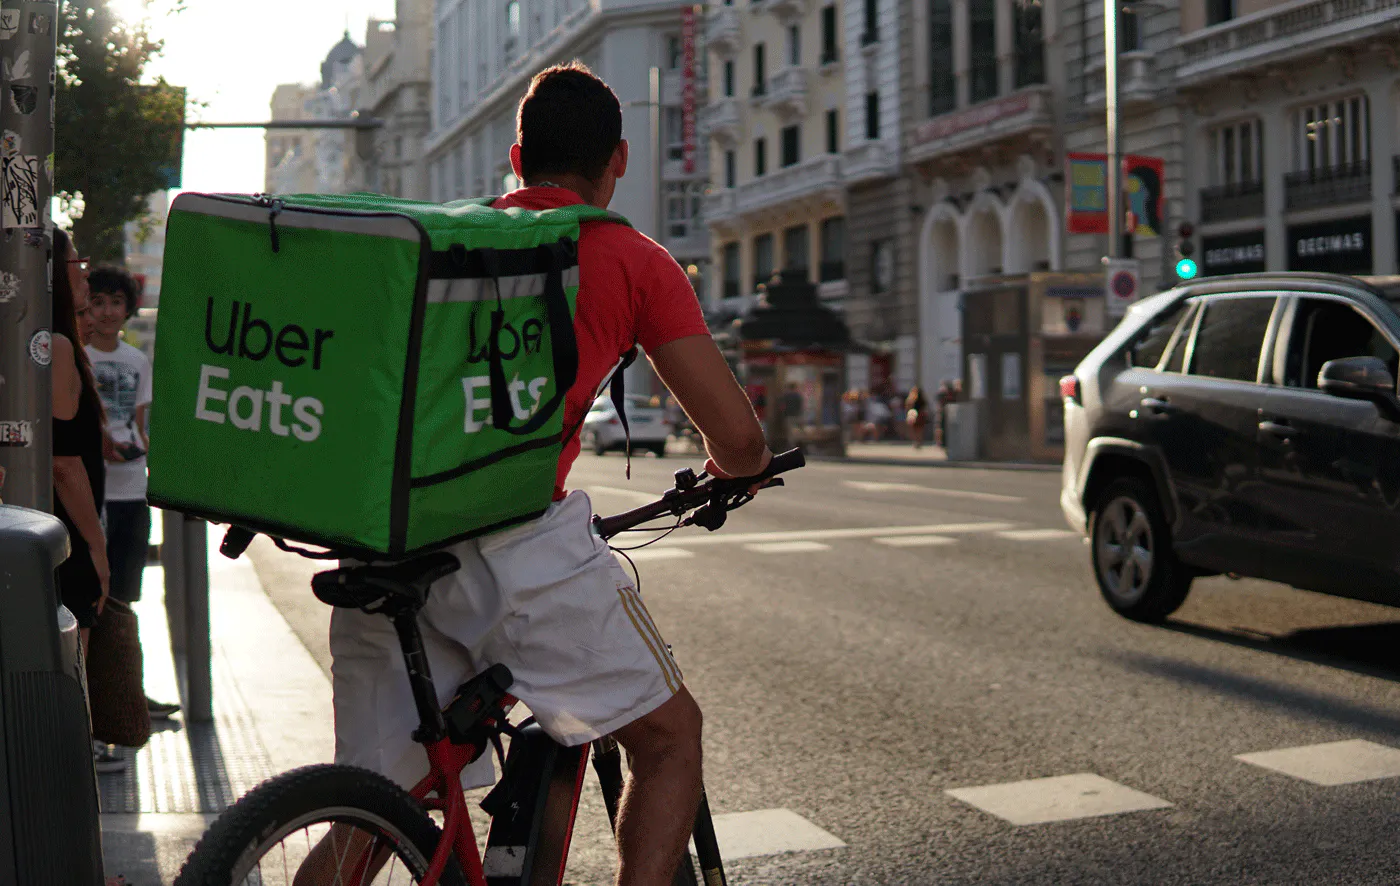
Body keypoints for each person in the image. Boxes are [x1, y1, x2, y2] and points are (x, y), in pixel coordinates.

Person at [319, 62, 771, 886]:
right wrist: (734, 470)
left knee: (375, 805)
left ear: (516, 155)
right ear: (620, 159)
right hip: (511, 542)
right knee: (670, 740)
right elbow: (738, 437)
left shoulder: (444, 239)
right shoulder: (630, 259)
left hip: (382, 539)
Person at [85, 264, 181, 722]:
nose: (107, 312)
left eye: (115, 302)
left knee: (126, 599)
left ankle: (128, 696)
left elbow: (140, 425)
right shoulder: (77, 357)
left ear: (128, 308)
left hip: (132, 490)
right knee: (92, 598)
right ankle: (91, 699)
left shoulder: (137, 361)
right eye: (98, 301)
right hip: (92, 491)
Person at [49, 229, 125, 775]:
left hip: (53, 534)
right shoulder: (52, 346)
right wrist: (96, 550)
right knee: (69, 693)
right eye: (78, 262)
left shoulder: (46, 340)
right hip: (67, 536)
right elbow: (63, 462)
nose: (85, 273)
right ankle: (70, 850)